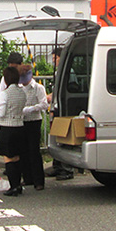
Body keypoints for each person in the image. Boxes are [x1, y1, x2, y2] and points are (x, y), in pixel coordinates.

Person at [0, 66, 27, 196]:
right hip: (19, 126)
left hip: (7, 128)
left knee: (8, 158)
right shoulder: (22, 92)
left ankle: (13, 186)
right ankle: (18, 185)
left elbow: (0, 113)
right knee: (17, 157)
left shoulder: (5, 93)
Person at [45, 48, 75, 181]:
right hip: (57, 107)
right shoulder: (59, 71)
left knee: (65, 138)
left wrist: (53, 96)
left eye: (55, 57)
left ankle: (67, 169)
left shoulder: (69, 72)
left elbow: (70, 87)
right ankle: (57, 166)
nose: (53, 60)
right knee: (56, 138)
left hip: (66, 108)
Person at [19, 64, 48, 190]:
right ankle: (27, 178)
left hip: (34, 120)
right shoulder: (19, 88)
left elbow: (44, 104)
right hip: (22, 121)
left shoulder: (38, 88)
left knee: (34, 151)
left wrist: (30, 109)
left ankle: (39, 181)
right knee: (23, 150)